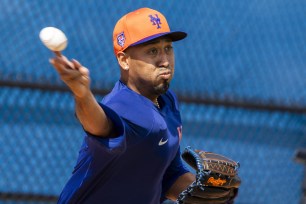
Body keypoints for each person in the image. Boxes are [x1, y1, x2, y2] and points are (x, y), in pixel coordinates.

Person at [50, 7, 195, 204]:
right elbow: (99, 124)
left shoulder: (167, 100)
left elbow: (169, 173)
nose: (164, 60)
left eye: (168, 48)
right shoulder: (124, 106)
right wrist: (82, 94)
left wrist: (204, 194)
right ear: (124, 60)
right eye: (153, 51)